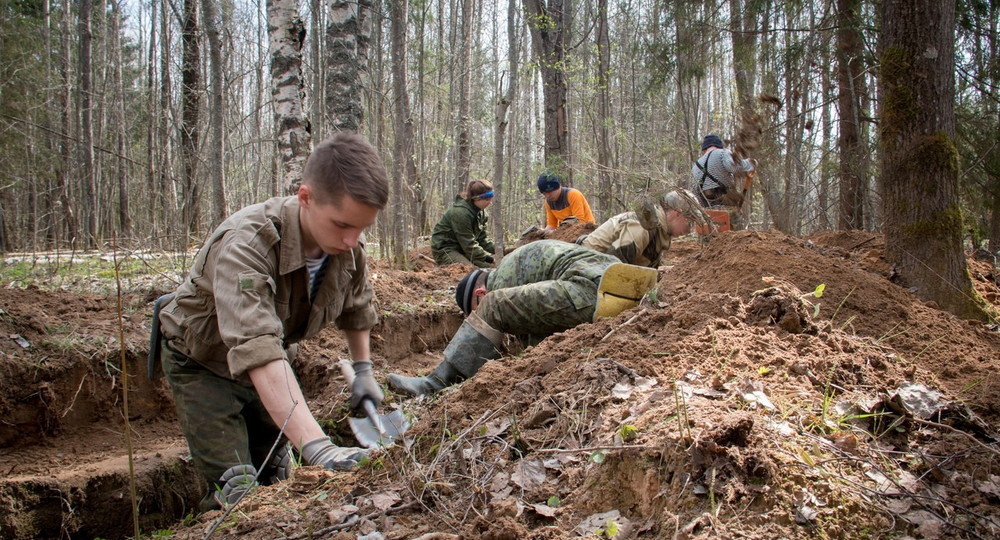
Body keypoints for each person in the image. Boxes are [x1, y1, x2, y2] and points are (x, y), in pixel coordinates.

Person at [156, 133, 389, 511]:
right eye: (342, 225)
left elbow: (357, 307)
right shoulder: (247, 245)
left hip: (273, 364)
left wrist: (363, 371)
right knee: (238, 493)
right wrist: (319, 448)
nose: (351, 239)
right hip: (204, 364)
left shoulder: (348, 248)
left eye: (362, 228)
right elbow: (257, 346)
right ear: (305, 197)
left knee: (278, 475)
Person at [387, 239, 623, 396]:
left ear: (479, 293)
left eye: (475, 313)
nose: (481, 320)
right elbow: (541, 319)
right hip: (620, 282)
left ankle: (435, 384)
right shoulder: (519, 265)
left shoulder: (501, 281)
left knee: (495, 304)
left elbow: (524, 330)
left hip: (589, 289)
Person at [579, 189, 710, 267]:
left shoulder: (660, 230)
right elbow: (611, 265)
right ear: (677, 214)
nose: (690, 230)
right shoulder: (644, 226)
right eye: (690, 223)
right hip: (585, 266)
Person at [430, 179, 496, 268]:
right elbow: (468, 244)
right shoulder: (461, 213)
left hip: (463, 250)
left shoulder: (482, 214)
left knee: (491, 269)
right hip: (446, 250)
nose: (490, 203)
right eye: (487, 199)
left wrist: (500, 250)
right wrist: (489, 258)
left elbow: (483, 239)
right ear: (477, 198)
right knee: (469, 270)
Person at [691, 133, 755, 208]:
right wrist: (751, 163)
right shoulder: (723, 153)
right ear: (719, 145)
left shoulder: (696, 165)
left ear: (704, 148)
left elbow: (695, 190)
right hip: (722, 201)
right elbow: (733, 167)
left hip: (704, 206)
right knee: (734, 218)